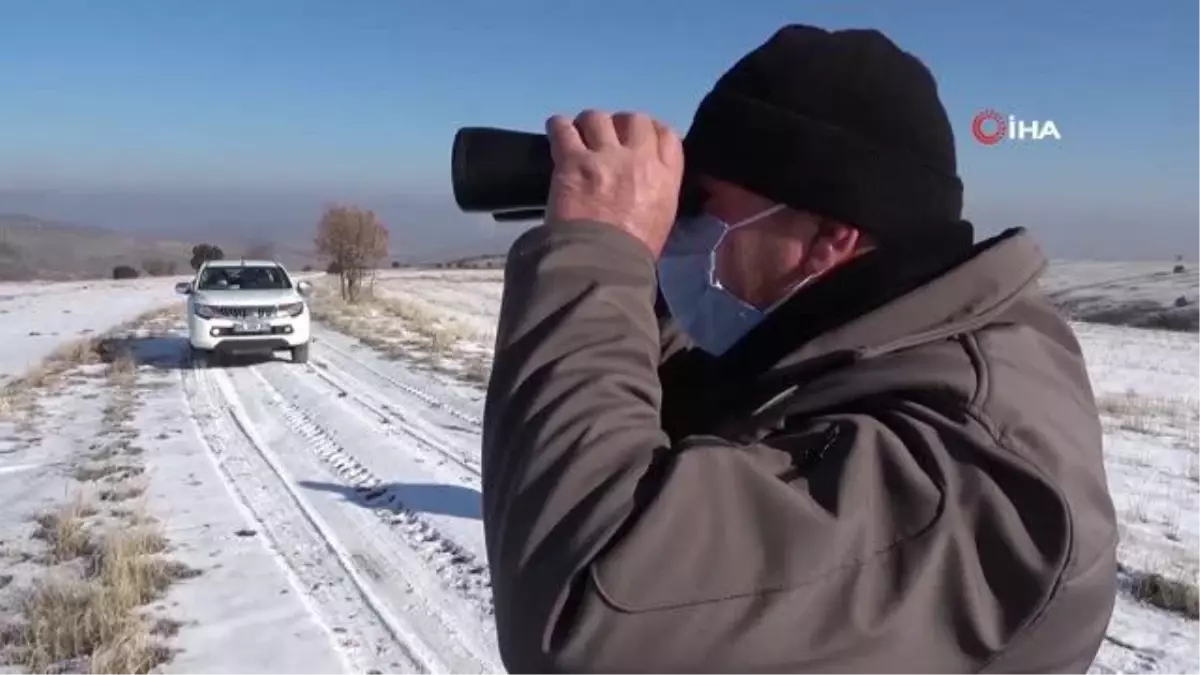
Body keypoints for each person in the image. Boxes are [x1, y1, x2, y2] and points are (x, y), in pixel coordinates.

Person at [481, 23, 1117, 674]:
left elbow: (583, 609)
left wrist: (595, 256)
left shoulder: (959, 475)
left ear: (829, 238)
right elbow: (713, 408)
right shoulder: (871, 341)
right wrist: (640, 255)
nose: (684, 230)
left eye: (704, 207)